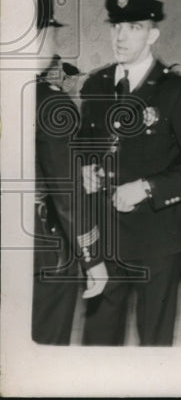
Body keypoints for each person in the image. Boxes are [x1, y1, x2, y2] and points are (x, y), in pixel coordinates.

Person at [78, 0, 181, 346]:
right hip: (103, 235)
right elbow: (83, 146)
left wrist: (147, 187)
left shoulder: (176, 91)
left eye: (134, 27)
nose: (121, 36)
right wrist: (85, 168)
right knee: (98, 338)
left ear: (152, 35)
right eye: (116, 27)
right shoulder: (97, 84)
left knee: (154, 338)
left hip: (158, 236)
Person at [33, 56, 105, 344]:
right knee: (46, 323)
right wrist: (92, 256)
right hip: (36, 233)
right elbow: (64, 188)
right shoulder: (48, 101)